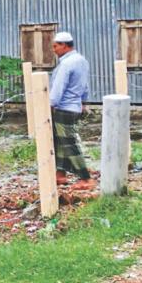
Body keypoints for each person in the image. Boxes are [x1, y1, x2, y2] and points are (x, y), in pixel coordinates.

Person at [48, 32, 95, 190]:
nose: (54, 49)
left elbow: (58, 88)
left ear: (64, 45)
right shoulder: (82, 60)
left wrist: (49, 104)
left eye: (55, 46)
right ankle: (60, 175)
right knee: (61, 142)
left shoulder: (66, 64)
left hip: (64, 108)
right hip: (75, 107)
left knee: (69, 143)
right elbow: (85, 85)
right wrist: (83, 102)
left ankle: (85, 178)